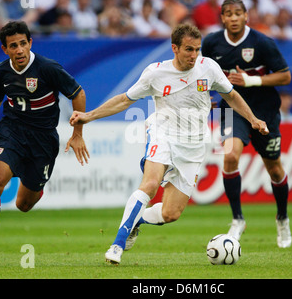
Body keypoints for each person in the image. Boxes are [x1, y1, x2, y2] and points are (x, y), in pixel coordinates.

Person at [69, 23, 269, 265]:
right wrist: (89, 116)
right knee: (151, 184)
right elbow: (124, 100)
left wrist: (253, 118)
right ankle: (117, 244)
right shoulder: (155, 73)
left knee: (171, 213)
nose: (194, 55)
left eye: (197, 49)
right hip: (162, 133)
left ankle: (137, 221)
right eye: (188, 50)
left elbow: (231, 95)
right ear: (174, 48)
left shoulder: (209, 68)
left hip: (194, 145)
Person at [0, 21, 89, 264]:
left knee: (23, 204)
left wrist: (77, 134)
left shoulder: (48, 68)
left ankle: (36, 185)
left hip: (43, 140)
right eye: (13, 46)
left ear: (30, 43)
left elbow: (78, 94)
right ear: (5, 49)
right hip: (12, 132)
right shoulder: (1, 71)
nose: (19, 50)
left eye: (23, 43)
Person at [201, 0, 292, 248]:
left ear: (246, 16)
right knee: (230, 156)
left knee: (274, 169)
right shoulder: (211, 43)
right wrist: (204, 96)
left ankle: (282, 217)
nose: (233, 18)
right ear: (222, 18)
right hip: (232, 109)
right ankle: (237, 219)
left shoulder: (263, 43)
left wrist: (251, 81)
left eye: (237, 13)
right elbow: (204, 74)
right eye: (228, 14)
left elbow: (285, 76)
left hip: (265, 111)